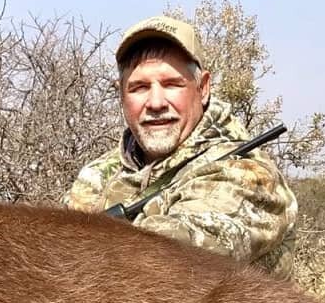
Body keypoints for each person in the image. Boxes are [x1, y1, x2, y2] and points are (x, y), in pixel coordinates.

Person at [61, 15, 297, 275]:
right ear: (121, 95)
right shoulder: (97, 174)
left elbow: (176, 259)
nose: (156, 102)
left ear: (203, 88)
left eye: (172, 84)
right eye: (138, 88)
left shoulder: (247, 173)